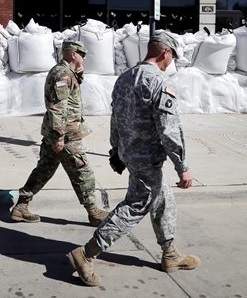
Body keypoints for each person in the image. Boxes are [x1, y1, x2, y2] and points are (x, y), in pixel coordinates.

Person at [67, 30, 200, 286]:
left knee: (163, 200)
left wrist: (115, 150)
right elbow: (169, 129)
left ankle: (170, 253)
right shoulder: (159, 83)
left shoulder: (124, 79)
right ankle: (86, 253)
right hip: (147, 157)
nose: (172, 61)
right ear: (166, 52)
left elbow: (115, 118)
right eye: (173, 56)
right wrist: (182, 166)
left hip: (130, 154)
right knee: (136, 206)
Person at [11, 40, 109, 227]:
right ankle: (93, 212)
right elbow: (57, 107)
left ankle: (21, 206)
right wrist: (59, 137)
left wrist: (79, 76)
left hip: (57, 132)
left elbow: (67, 96)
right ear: (73, 54)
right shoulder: (63, 74)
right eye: (82, 54)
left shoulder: (64, 72)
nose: (84, 58)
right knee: (83, 172)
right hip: (66, 134)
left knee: (44, 169)